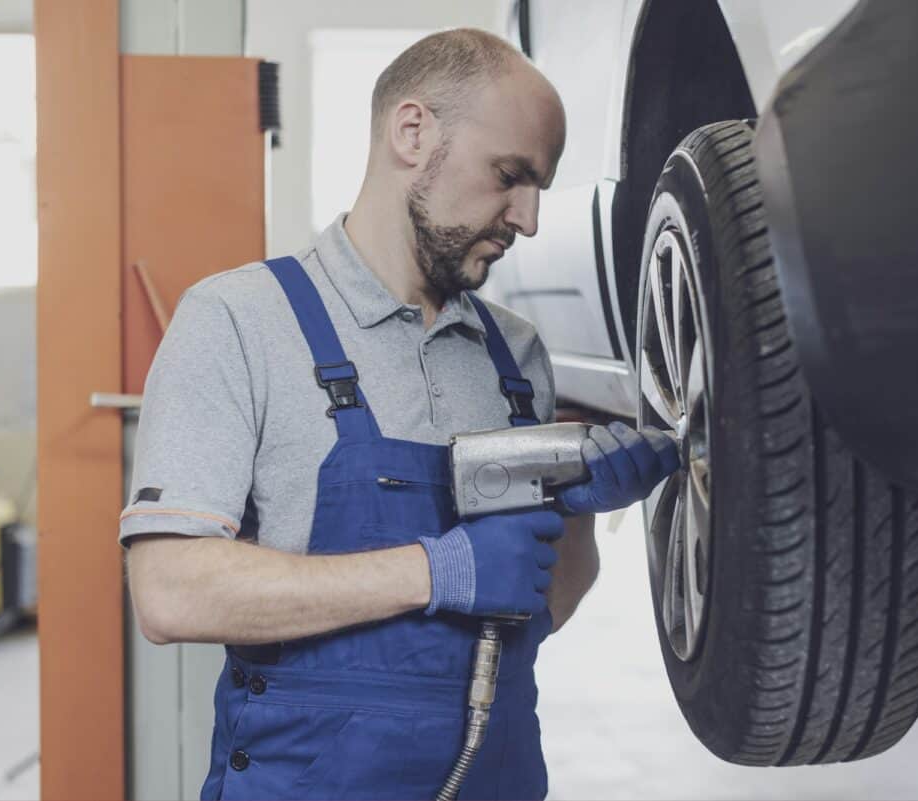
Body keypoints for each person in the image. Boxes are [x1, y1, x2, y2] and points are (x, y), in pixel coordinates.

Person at [121, 28, 679, 800]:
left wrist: (577, 515)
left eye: (540, 186)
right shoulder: (240, 320)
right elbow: (169, 590)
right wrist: (436, 569)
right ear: (412, 133)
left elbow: (536, 609)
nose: (529, 218)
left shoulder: (517, 358)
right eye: (510, 175)